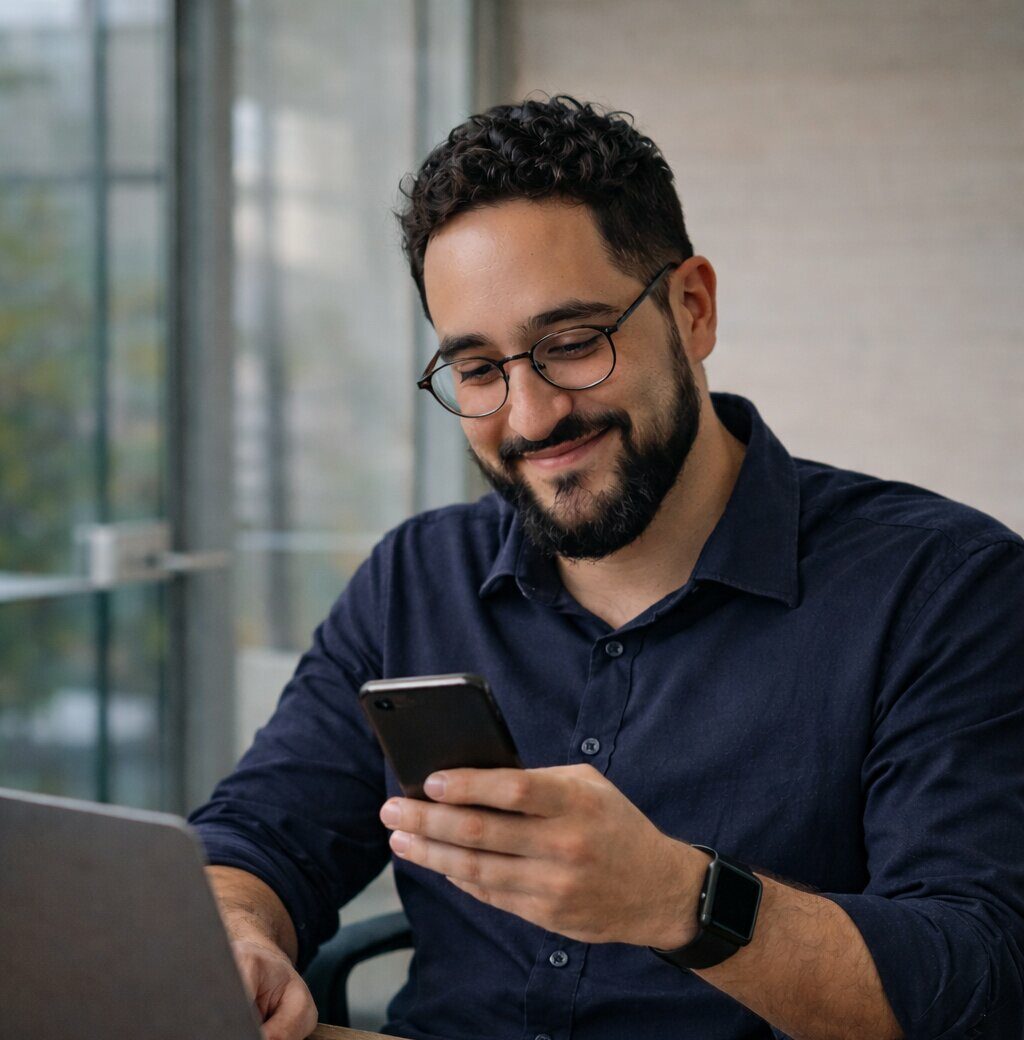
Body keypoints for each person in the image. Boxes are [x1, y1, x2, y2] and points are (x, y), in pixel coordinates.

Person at [189, 97, 1024, 1040]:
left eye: (573, 344)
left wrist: (684, 900)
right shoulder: (414, 576)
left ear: (692, 309)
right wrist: (237, 934)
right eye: (476, 369)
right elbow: (260, 833)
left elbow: (983, 979)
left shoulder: (946, 587)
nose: (530, 415)